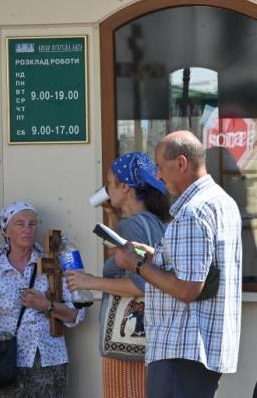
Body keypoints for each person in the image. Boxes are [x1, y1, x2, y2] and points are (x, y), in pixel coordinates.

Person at [113, 130, 242, 398]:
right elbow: (201, 268)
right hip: (201, 347)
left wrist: (137, 265)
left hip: (181, 347)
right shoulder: (222, 202)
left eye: (160, 167)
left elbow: (187, 289)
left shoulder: (193, 212)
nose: (157, 176)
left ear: (181, 163)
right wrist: (154, 255)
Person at [65, 152, 170, 398]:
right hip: (150, 339)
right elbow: (123, 260)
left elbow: (144, 283)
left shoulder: (133, 226)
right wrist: (113, 217)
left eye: (110, 182)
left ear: (125, 187)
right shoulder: (154, 221)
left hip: (126, 343)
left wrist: (89, 282)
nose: (106, 188)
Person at [0, 202, 86, 398]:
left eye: (32, 224)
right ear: (6, 231)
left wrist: (47, 306)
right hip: (5, 365)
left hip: (49, 361)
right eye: (19, 224)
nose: (27, 229)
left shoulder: (53, 267)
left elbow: (78, 314)